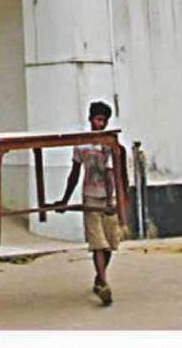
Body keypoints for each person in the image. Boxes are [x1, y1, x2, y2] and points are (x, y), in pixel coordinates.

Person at [59, 100, 123, 305]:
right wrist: (65, 199)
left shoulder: (110, 145)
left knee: (109, 245)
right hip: (90, 197)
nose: (100, 124)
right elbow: (75, 173)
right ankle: (103, 284)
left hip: (108, 199)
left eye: (104, 121)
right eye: (98, 120)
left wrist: (113, 201)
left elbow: (113, 174)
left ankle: (99, 278)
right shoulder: (81, 145)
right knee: (97, 244)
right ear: (90, 119)